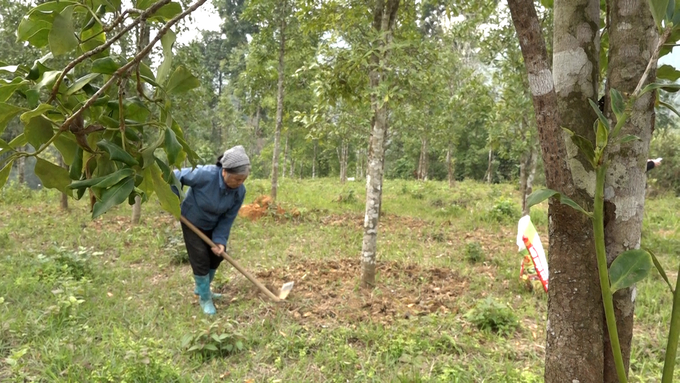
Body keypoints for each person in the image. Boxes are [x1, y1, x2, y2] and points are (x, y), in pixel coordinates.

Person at [173, 145, 250, 315]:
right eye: (237, 179)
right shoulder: (204, 174)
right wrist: (173, 200)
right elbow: (174, 176)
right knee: (200, 258)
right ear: (224, 171)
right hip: (191, 220)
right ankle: (205, 298)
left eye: (243, 179)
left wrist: (220, 240)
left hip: (214, 224)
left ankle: (202, 289)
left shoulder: (239, 192)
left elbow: (227, 218)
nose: (240, 183)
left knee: (217, 256)